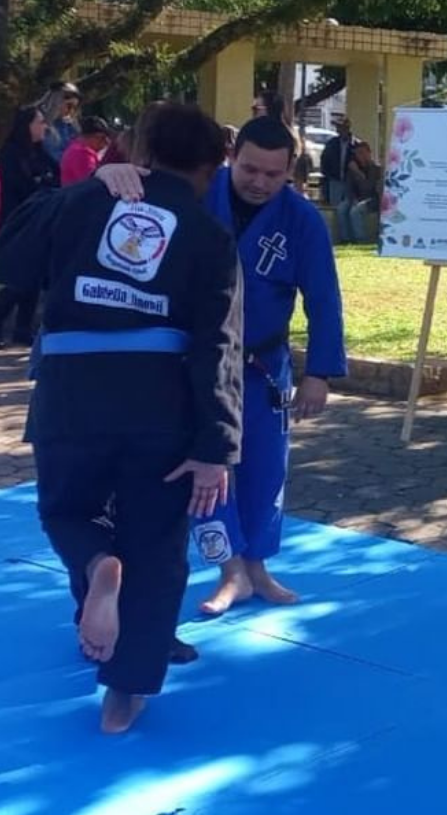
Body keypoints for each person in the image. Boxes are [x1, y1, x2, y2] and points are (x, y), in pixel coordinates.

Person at [0, 102, 245, 734]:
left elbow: (6, 264)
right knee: (156, 544)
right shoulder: (209, 236)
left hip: (71, 396)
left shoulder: (82, 202)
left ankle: (98, 565)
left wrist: (76, 190)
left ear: (139, 149)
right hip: (160, 405)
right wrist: (217, 444)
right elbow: (220, 343)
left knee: (67, 511)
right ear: (212, 168)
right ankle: (123, 694)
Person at [96, 115, 347, 617]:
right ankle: (228, 568)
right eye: (249, 169)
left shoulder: (302, 220)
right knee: (208, 469)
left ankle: (257, 567)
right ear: (231, 158)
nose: (259, 182)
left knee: (265, 468)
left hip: (263, 364)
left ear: (290, 170)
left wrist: (318, 373)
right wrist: (108, 174)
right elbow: (121, 194)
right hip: (196, 364)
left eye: (273, 175)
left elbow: (323, 297)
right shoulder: (193, 196)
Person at [0, 104, 59, 349]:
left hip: (41, 220)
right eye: (39, 122)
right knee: (18, 279)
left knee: (34, 277)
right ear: (26, 125)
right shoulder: (11, 153)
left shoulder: (41, 153)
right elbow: (20, 187)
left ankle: (23, 329)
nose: (44, 127)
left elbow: (54, 178)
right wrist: (40, 183)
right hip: (18, 222)